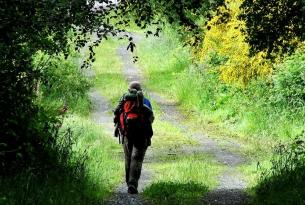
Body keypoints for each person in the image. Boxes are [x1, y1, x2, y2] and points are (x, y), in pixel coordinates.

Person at [113, 81, 154, 194]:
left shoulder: (125, 101)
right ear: (140, 90)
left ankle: (128, 183)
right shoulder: (145, 102)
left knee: (128, 158)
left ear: (129, 90)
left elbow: (116, 115)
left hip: (126, 134)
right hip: (142, 135)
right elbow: (151, 119)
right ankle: (132, 184)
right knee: (137, 158)